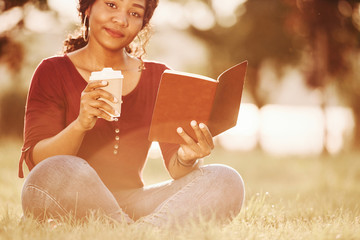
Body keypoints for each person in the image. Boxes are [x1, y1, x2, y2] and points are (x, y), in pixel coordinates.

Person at [18, 0, 245, 228]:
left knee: (226, 179)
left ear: (143, 23)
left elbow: (177, 169)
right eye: (111, 5)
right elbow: (40, 163)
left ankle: (131, 231)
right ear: (88, 7)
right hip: (70, 195)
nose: (121, 20)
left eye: (134, 13)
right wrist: (80, 124)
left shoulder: (159, 77)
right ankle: (141, 232)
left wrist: (187, 156)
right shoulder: (52, 71)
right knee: (59, 169)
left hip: (135, 202)